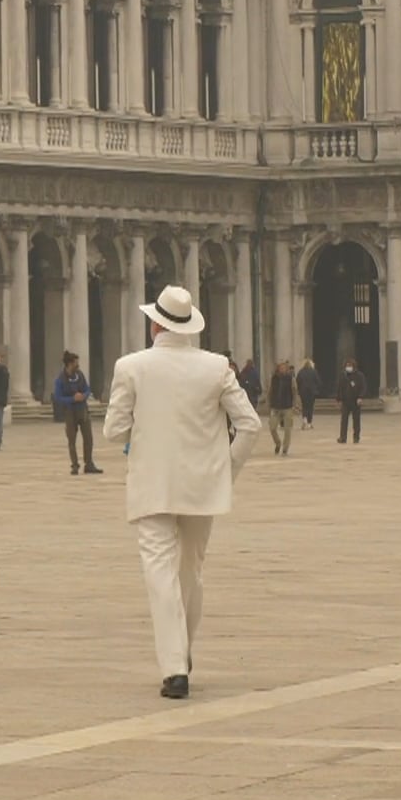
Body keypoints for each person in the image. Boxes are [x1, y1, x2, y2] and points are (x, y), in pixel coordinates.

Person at [102, 285, 260, 701]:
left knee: (160, 572)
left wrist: (141, 428)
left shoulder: (130, 367)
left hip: (152, 483)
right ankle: (181, 655)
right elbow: (250, 425)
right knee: (190, 572)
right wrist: (227, 468)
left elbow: (114, 429)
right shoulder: (216, 367)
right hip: (203, 485)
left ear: (155, 323)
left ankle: (175, 668)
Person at [53, 351, 102, 476]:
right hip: (69, 411)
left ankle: (89, 464)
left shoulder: (79, 375)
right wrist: (72, 399)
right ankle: (74, 465)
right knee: (72, 440)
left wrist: (83, 396)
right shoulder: (60, 379)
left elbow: (87, 388)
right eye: (76, 363)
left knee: (88, 438)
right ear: (69, 364)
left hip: (83, 409)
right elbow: (58, 397)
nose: (78, 365)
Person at [265, 359, 296, 456]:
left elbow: (294, 392)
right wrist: (268, 404)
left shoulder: (290, 378)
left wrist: (295, 404)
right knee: (272, 427)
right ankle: (278, 443)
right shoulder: (273, 378)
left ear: (286, 369)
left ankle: (285, 448)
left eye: (284, 368)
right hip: (275, 406)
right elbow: (269, 391)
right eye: (280, 367)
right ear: (278, 369)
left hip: (287, 406)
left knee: (287, 429)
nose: (282, 369)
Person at [336, 358, 367, 444]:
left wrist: (360, 397)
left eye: (350, 366)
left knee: (356, 420)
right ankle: (343, 437)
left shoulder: (359, 376)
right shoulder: (343, 375)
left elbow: (363, 387)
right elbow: (339, 387)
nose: (348, 367)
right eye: (347, 366)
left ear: (354, 366)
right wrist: (338, 399)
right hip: (345, 401)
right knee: (344, 420)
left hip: (355, 401)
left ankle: (356, 437)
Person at [295, 358, 320, 430]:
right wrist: (316, 388)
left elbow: (298, 381)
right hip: (312, 392)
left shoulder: (301, 372)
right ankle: (309, 423)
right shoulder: (314, 372)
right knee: (310, 407)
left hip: (303, 392)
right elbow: (318, 381)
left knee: (304, 406)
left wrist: (299, 390)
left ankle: (304, 419)